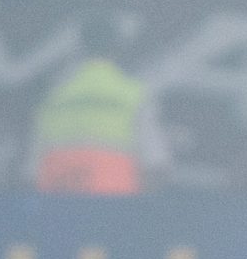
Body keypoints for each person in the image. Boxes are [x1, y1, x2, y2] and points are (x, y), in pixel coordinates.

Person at [29, 15, 165, 195]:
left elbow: (30, 170)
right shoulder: (134, 94)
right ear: (117, 48)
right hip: (112, 209)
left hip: (59, 207)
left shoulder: (54, 95)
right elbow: (156, 164)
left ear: (79, 47)